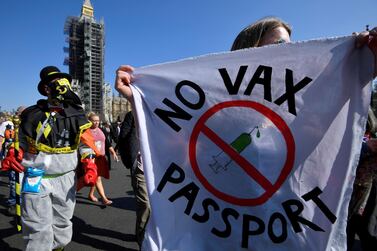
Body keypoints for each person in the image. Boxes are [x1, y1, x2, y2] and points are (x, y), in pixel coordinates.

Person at [1, 66, 99, 251]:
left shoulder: (77, 116)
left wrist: (89, 164)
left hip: (65, 179)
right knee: (37, 229)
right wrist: (13, 154)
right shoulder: (31, 114)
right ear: (45, 89)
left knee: (62, 227)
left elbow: (85, 145)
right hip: (35, 178)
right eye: (52, 84)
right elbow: (20, 143)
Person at [117, 111, 150, 248]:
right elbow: (123, 138)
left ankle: (149, 235)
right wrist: (130, 161)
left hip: (158, 170)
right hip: (140, 168)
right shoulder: (133, 114)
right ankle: (142, 240)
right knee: (145, 205)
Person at [346, 107, 377, 251]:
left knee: (356, 223)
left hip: (361, 188)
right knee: (353, 224)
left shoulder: (369, 141)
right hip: (353, 186)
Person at [86, 112, 118, 205]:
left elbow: (107, 143)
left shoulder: (101, 130)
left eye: (98, 121)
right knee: (96, 178)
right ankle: (104, 199)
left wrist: (113, 152)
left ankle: (91, 194)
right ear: (89, 121)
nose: (96, 123)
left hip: (101, 157)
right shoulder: (86, 131)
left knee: (97, 177)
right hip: (91, 158)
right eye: (94, 121)